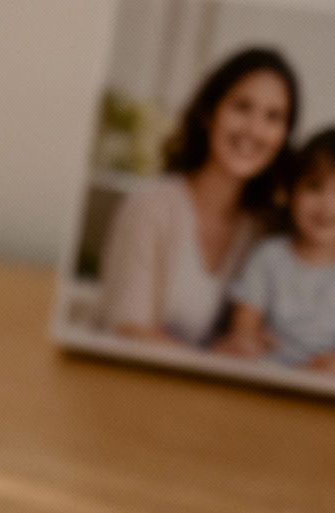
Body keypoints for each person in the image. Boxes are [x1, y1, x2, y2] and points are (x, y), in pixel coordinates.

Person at [98, 48, 298, 347]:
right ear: (208, 113)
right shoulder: (150, 207)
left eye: (273, 117)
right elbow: (129, 332)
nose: (254, 130)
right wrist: (215, 363)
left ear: (284, 135)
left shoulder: (264, 232)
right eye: (242, 107)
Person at [216, 127, 335, 373]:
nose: (327, 205)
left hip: (330, 388)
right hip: (266, 376)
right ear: (291, 193)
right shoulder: (269, 256)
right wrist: (248, 344)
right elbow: (243, 328)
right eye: (314, 187)